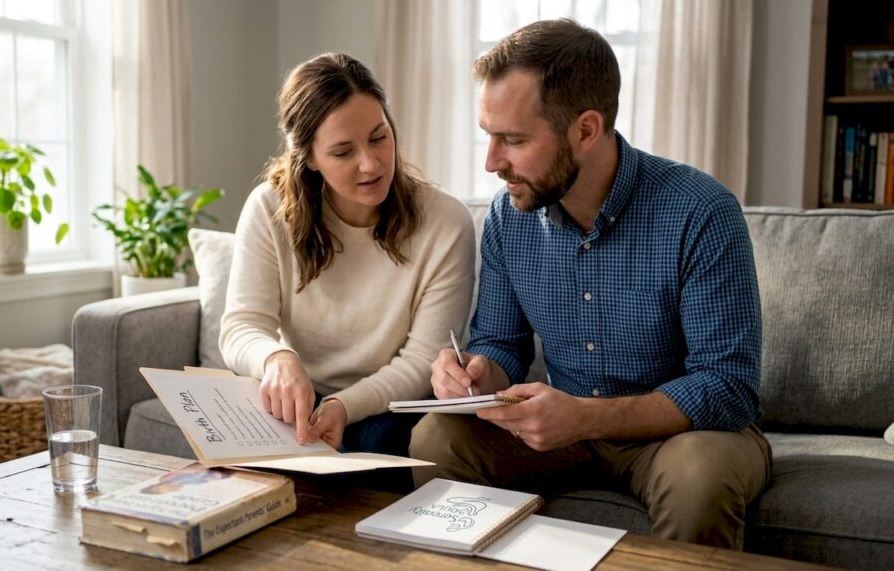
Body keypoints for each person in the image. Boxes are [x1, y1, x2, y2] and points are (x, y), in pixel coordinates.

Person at [410, 20, 771, 550]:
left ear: (585, 130)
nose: (491, 162)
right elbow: (501, 342)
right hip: (560, 437)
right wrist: (479, 373)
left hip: (681, 438)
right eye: (488, 135)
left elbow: (728, 386)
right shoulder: (510, 220)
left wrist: (582, 417)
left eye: (512, 140)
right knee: (436, 436)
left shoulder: (700, 211)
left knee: (701, 477)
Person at [220, 53, 475, 458]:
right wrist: (277, 358)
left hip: (390, 403)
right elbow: (241, 327)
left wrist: (343, 406)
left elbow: (421, 360)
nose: (370, 164)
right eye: (342, 152)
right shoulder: (269, 209)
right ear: (308, 157)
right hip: (299, 394)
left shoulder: (446, 223)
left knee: (376, 441)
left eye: (379, 137)